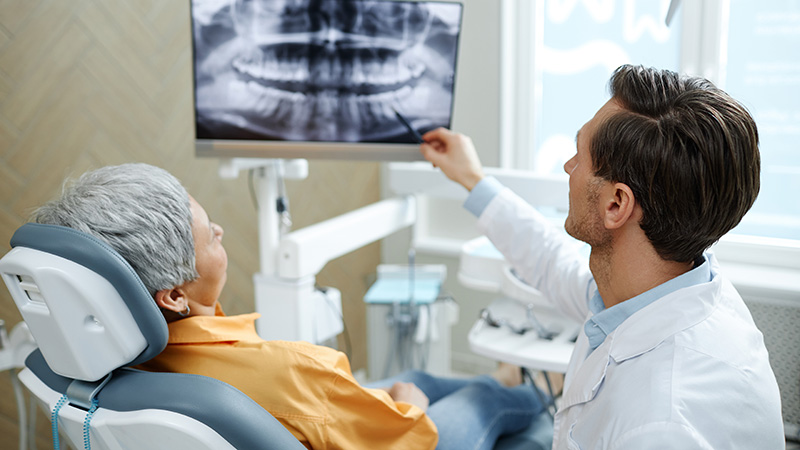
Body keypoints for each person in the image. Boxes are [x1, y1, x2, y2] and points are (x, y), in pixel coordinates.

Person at [30, 163, 547, 450]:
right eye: (208, 235)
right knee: (477, 397)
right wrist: (410, 402)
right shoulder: (292, 369)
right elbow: (408, 433)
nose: (220, 232)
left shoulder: (104, 367)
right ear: (173, 295)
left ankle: (497, 383)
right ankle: (535, 396)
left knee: (413, 374)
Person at [419, 64, 785, 449]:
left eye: (579, 155)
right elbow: (554, 263)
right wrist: (472, 180)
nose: (568, 167)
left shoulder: (661, 423)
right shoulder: (667, 284)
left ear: (616, 204)